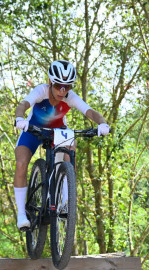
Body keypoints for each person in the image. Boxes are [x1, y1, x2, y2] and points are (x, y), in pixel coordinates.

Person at [13, 60, 110, 230]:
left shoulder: (69, 97)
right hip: (34, 130)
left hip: (58, 131)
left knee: (72, 145)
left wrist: (102, 123)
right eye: (58, 86)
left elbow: (90, 112)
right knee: (21, 164)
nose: (62, 91)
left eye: (67, 87)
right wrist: (20, 118)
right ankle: (21, 214)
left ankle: (65, 200)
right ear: (50, 82)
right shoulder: (41, 91)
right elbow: (23, 105)